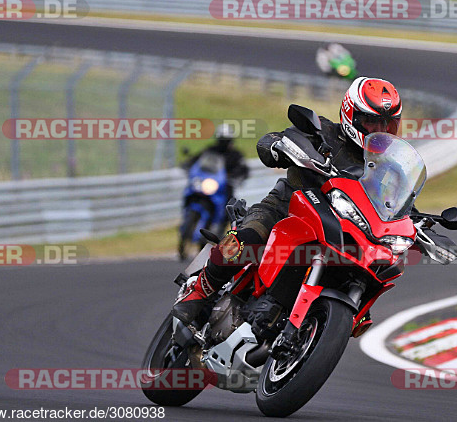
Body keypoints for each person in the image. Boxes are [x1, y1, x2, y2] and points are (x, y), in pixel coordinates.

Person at [172, 77, 402, 327]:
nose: (379, 131)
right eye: (372, 122)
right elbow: (275, 139)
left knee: (372, 275)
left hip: (342, 231)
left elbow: (398, 203)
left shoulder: (386, 169)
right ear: (351, 115)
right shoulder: (323, 132)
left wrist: (417, 222)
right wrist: (275, 146)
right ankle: (199, 290)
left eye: (388, 125)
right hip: (286, 208)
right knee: (245, 241)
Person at [182, 123, 249, 200]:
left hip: (223, 185)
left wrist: (232, 177)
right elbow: (197, 159)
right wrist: (188, 164)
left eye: (226, 140)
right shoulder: (210, 150)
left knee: (229, 198)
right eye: (222, 139)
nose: (224, 143)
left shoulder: (236, 155)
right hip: (207, 181)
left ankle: (226, 210)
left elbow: (243, 169)